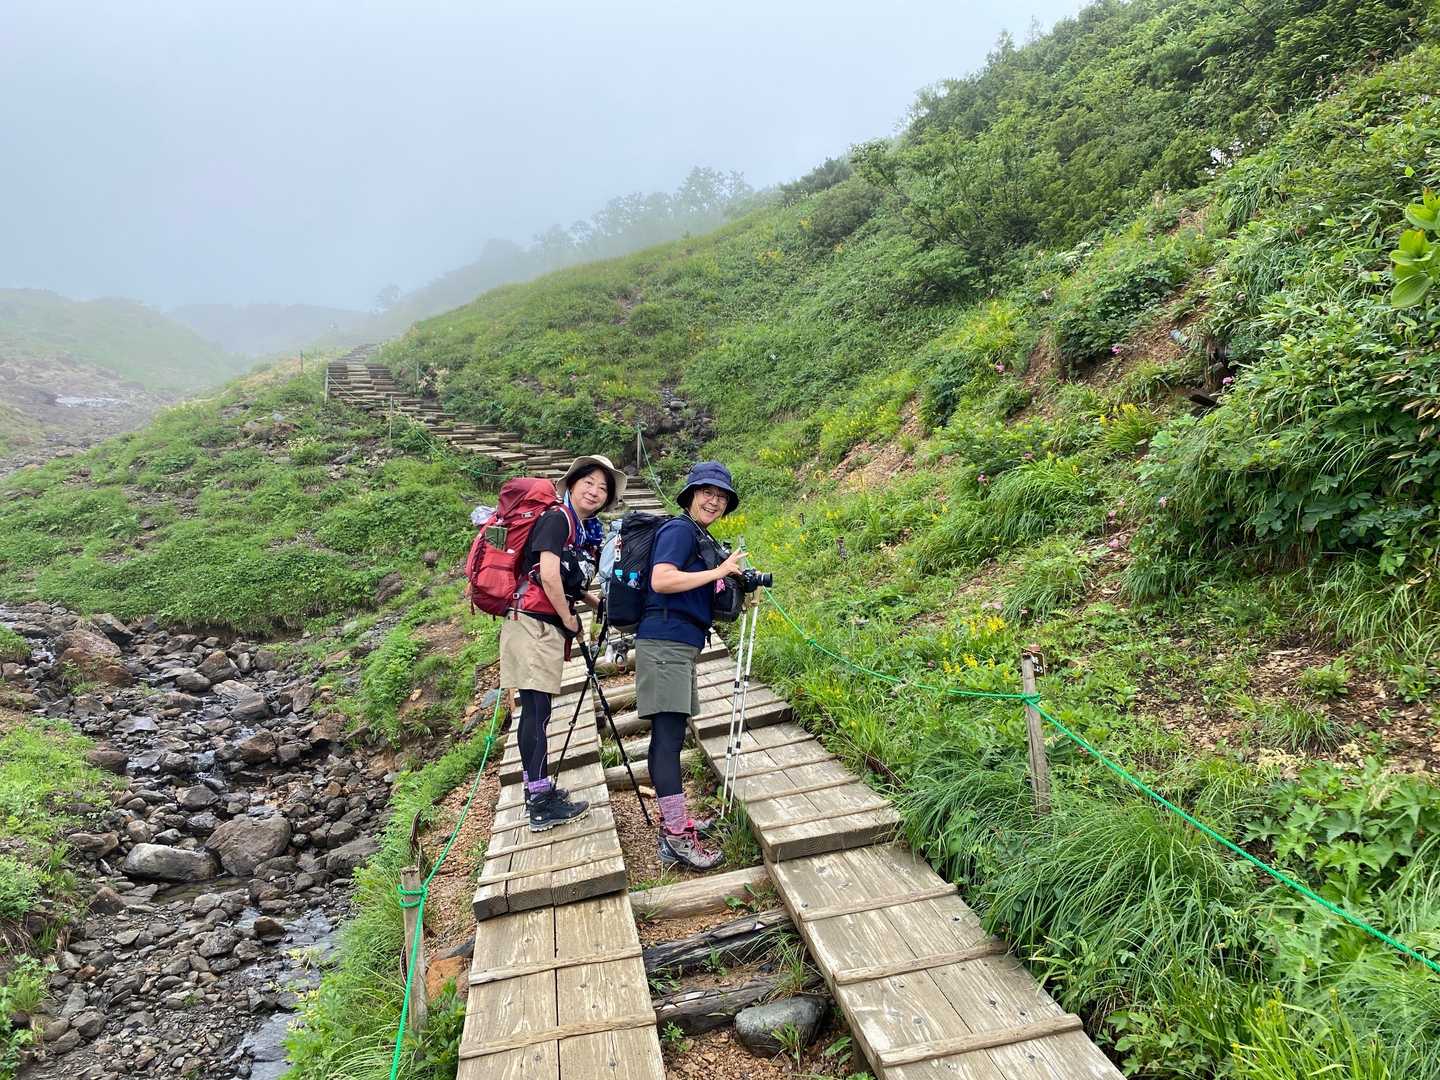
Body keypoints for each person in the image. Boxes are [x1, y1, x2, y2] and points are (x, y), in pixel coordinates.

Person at [499, 454, 626, 831]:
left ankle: (539, 790)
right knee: (535, 711)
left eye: (603, 488)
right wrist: (571, 620)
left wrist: (589, 601)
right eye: (588, 482)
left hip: (540, 624)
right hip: (532, 624)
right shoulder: (557, 519)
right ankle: (539, 803)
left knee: (539, 711)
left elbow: (559, 577)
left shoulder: (579, 528)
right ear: (571, 483)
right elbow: (549, 576)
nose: (595, 491)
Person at [634, 461, 746, 869]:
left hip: (678, 644)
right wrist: (718, 571)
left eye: (721, 496)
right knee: (667, 738)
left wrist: (732, 581)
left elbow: (696, 591)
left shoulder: (698, 535)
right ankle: (676, 836)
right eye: (707, 492)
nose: (714, 501)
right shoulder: (679, 531)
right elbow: (662, 580)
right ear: (690, 495)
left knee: (672, 734)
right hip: (665, 643)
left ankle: (677, 823)